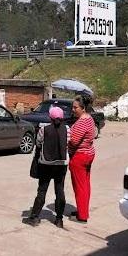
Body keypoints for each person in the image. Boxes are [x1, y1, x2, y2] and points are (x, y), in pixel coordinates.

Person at [24, 107, 70, 228]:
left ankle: (34, 217)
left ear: (50, 118)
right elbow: (69, 143)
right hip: (61, 165)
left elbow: (38, 143)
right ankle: (59, 219)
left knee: (42, 190)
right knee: (59, 190)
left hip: (46, 165)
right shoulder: (67, 129)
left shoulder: (44, 130)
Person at [68, 95, 96, 224]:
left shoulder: (82, 122)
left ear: (83, 108)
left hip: (80, 156)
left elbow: (74, 141)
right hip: (88, 154)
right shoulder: (89, 118)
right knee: (85, 184)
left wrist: (67, 135)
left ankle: (82, 216)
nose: (73, 109)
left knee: (80, 187)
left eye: (75, 107)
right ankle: (82, 210)